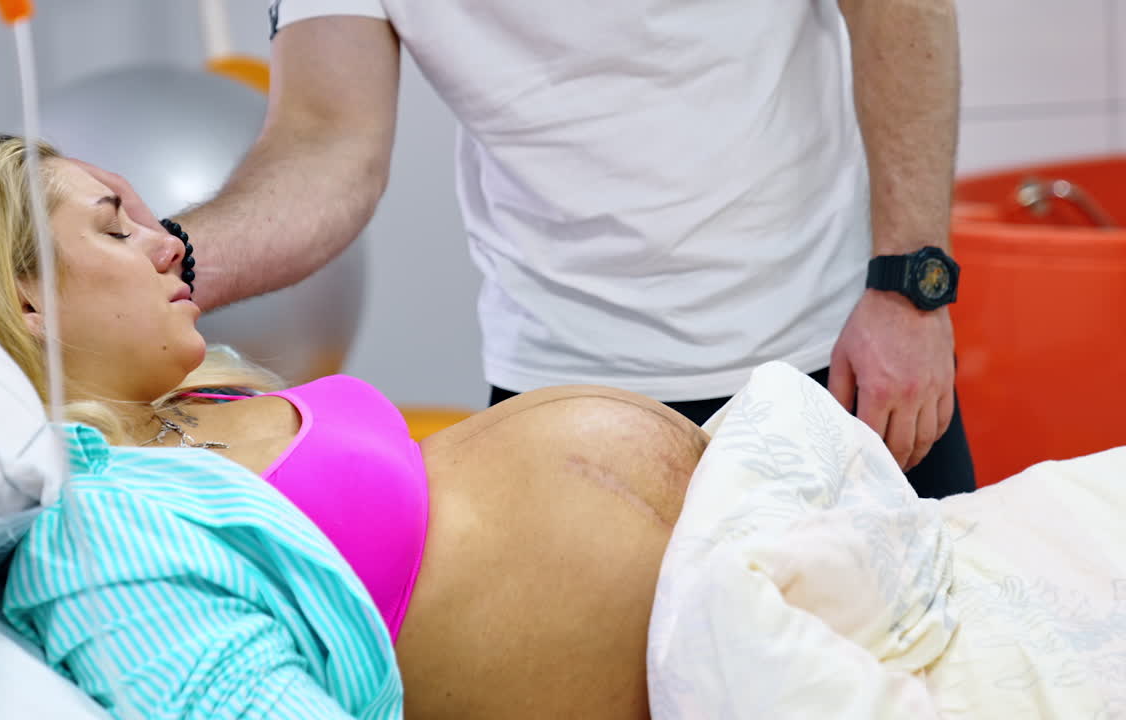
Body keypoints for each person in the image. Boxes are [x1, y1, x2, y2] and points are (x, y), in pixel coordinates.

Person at [0, 120, 1126, 719]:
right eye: (113, 222)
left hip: (797, 562)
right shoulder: (106, 539)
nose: (166, 240)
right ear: (19, 297)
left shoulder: (200, 411)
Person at [122, 0, 976, 498]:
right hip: (561, 398)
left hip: (832, 361)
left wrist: (911, 289)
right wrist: (159, 265)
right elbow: (326, 142)